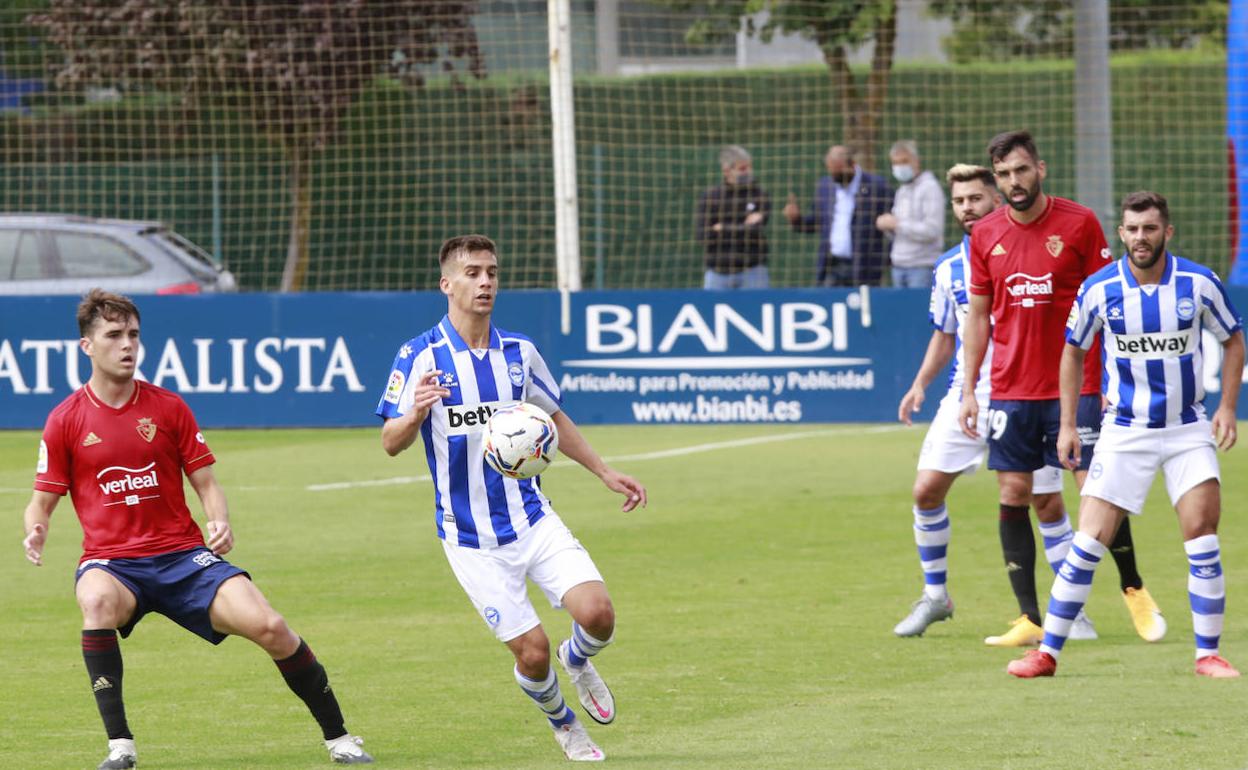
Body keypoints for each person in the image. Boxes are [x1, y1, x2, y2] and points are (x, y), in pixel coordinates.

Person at [20, 289, 372, 769]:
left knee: (271, 626)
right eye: (114, 335)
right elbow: (41, 502)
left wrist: (219, 519)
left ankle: (341, 738)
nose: (127, 345)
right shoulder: (65, 420)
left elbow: (206, 483)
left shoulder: (167, 408)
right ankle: (120, 747)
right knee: (96, 601)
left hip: (183, 557)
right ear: (87, 346)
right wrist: (36, 529)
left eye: (134, 335)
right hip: (114, 562)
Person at [376, 234, 647, 762]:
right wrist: (414, 412)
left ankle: (579, 658)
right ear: (446, 284)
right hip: (470, 538)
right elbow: (390, 443)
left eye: (492, 272)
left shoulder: (519, 352)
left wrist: (603, 471)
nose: (485, 283)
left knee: (598, 615)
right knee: (532, 652)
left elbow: (555, 419)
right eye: (473, 272)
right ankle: (563, 722)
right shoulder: (418, 357)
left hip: (533, 517)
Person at [1008, 191, 1245, 679]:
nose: (1142, 238)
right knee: (1089, 541)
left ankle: (1208, 655)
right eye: (1133, 229)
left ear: (1167, 232)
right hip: (1124, 430)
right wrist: (1070, 424)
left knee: (1201, 536)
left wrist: (1225, 407)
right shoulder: (1099, 289)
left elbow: (1233, 340)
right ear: (1122, 234)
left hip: (1186, 428)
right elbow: (1072, 352)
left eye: (1151, 228)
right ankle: (1047, 653)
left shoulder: (1200, 284)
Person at [958, 130, 1165, 646]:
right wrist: (968, 389)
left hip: (1080, 384)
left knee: (1096, 491)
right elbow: (979, 316)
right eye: (1004, 174)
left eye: (1021, 171)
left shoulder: (1078, 223)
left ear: (1040, 169)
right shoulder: (984, 235)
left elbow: (1111, 304)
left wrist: (1118, 379)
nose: (1013, 182)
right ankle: (1031, 617)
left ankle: (1134, 589)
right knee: (1013, 492)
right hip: (1011, 386)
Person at [893, 164, 1092, 641]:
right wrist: (921, 383)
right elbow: (947, 335)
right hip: (969, 397)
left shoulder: (1025, 250)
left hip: (1027, 393)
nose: (967, 208)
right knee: (925, 491)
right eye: (960, 201)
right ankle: (936, 595)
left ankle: (1071, 612)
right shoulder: (948, 268)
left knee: (1045, 503)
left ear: (997, 198)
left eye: (976, 199)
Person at [782, 144, 892, 287]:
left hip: (864, 266)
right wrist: (796, 219)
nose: (834, 177)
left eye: (839, 173)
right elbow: (817, 223)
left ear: (852, 165)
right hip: (832, 266)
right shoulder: (825, 186)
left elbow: (891, 223)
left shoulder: (877, 186)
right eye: (831, 172)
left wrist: (885, 260)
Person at [696, 144, 771, 289]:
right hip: (717, 273)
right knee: (710, 310)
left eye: (749, 167)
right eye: (743, 169)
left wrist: (722, 228)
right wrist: (744, 226)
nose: (748, 172)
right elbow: (703, 236)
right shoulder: (711, 197)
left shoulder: (759, 194)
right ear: (726, 171)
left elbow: (755, 230)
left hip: (753, 270)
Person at [875, 140, 945, 288]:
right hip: (898, 265)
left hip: (922, 266)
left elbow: (932, 230)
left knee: (919, 310)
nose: (900, 167)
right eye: (896, 163)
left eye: (904, 161)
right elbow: (898, 232)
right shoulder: (902, 190)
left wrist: (897, 224)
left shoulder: (930, 188)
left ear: (916, 161)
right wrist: (888, 226)